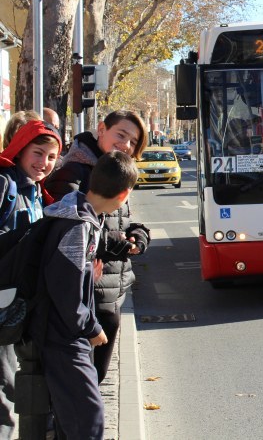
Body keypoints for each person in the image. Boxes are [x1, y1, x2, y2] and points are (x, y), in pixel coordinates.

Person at [31, 150, 138, 440]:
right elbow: (65, 290)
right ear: (123, 195)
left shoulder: (80, 215)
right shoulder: (78, 226)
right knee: (88, 420)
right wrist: (91, 328)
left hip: (64, 335)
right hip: (64, 338)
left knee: (74, 421)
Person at [45, 110, 149, 384]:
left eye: (133, 142)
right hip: (83, 292)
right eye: (121, 135)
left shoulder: (116, 168)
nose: (126, 145)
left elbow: (121, 221)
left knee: (95, 377)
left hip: (110, 288)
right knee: (77, 381)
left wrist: (138, 235)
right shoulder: (73, 172)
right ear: (101, 129)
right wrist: (120, 244)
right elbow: (68, 228)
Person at [0, 120, 61, 440]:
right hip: (3, 299)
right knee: (5, 389)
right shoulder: (4, 184)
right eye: (38, 153)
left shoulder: (36, 191)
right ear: (21, 150)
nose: (44, 163)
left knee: (13, 386)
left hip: (16, 302)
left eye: (51, 157)